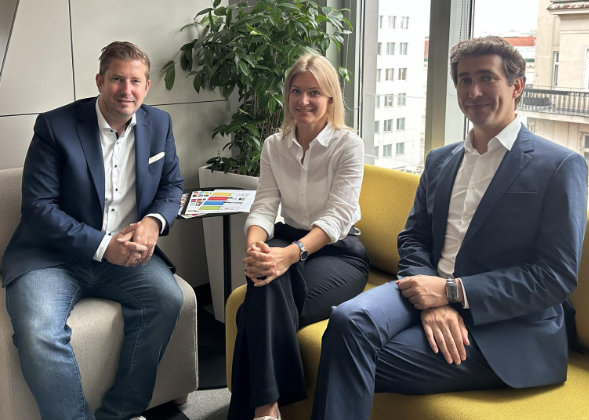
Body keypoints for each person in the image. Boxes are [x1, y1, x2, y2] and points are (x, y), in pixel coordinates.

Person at [311, 36, 588, 420]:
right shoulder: (440, 160)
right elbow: (413, 237)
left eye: (487, 78)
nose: (473, 91)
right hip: (426, 289)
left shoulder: (559, 165)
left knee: (346, 352)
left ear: (516, 86)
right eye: (464, 80)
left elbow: (555, 276)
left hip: (507, 326)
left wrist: (451, 292)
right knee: (347, 321)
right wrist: (433, 299)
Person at [1, 41, 184, 420]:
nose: (126, 90)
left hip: (125, 256)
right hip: (51, 256)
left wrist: (153, 221)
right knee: (38, 331)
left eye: (135, 81)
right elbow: (39, 208)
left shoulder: (160, 123)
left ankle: (122, 412)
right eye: (117, 79)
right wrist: (102, 245)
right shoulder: (55, 126)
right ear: (100, 81)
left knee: (167, 299)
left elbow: (172, 187)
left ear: (147, 86)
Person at [228, 53, 370, 420]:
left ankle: (263, 408)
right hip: (286, 237)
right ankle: (267, 409)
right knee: (266, 278)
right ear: (287, 94)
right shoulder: (274, 145)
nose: (303, 101)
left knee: (252, 312)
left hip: (338, 251)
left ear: (330, 98)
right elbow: (264, 205)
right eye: (296, 91)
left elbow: (338, 217)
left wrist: (288, 255)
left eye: (314, 93)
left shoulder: (348, 145)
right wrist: (256, 248)